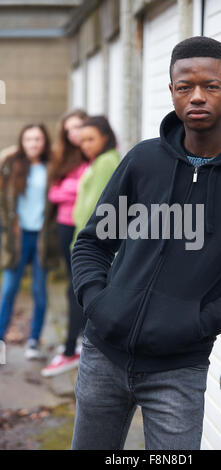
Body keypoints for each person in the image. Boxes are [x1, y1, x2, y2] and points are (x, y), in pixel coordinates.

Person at [70, 36, 221, 450]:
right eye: (185, 87)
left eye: (211, 85)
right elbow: (93, 243)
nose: (198, 96)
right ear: (171, 92)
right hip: (103, 356)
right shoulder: (143, 160)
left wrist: (195, 324)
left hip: (178, 369)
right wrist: (98, 302)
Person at [0, 124, 60, 359]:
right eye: (28, 139)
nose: (33, 144)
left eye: (38, 139)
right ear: (21, 142)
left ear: (45, 142)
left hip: (43, 238)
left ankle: (34, 340)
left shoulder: (52, 167)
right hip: (18, 236)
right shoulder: (13, 166)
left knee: (39, 290)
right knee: (8, 289)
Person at [41, 109, 90, 377]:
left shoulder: (94, 155)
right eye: (69, 128)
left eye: (78, 126)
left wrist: (69, 190)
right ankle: (73, 342)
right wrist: (75, 188)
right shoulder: (66, 158)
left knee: (78, 286)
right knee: (72, 285)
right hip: (64, 226)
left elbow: (89, 188)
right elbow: (54, 192)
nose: (74, 133)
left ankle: (73, 344)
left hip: (82, 226)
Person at [70, 115, 121, 251]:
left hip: (90, 236)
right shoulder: (102, 159)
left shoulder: (105, 162)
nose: (85, 145)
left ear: (105, 137)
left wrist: (79, 240)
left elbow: (94, 205)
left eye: (91, 139)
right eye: (83, 141)